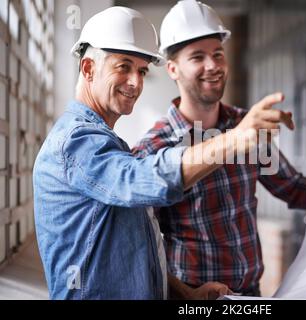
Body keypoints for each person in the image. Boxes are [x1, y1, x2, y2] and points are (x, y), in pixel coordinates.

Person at [33, 6, 292, 300]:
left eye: (142, 71)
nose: (136, 82)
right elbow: (143, 178)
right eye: (124, 66)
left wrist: (185, 294)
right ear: (89, 68)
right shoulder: (75, 142)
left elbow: (137, 256)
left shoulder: (107, 144)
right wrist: (234, 139)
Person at [132, 0, 306, 297]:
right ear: (173, 69)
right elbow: (144, 244)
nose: (212, 65)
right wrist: (181, 293)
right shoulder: (154, 148)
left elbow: (292, 187)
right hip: (195, 297)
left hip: (251, 294)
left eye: (218, 54)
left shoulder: (247, 126)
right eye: (197, 57)